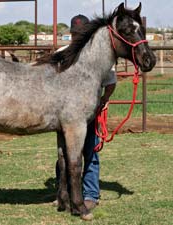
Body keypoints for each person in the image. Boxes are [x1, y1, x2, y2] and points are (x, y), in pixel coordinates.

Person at [55, 14, 117, 212]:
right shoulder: (62, 52)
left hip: (89, 112)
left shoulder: (97, 57)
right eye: (75, 33)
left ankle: (90, 194)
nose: (77, 37)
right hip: (65, 113)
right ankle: (62, 193)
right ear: (72, 34)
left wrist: (102, 101)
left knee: (90, 153)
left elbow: (111, 81)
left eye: (81, 34)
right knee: (64, 154)